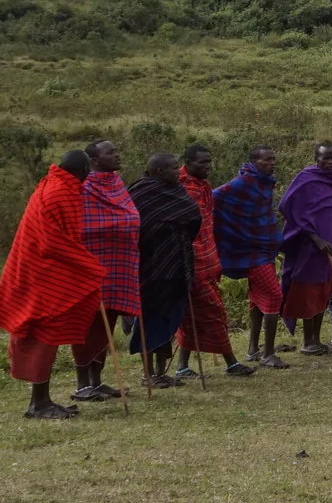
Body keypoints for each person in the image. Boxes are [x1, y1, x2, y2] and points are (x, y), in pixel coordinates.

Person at [0, 150, 104, 418]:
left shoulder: (53, 185)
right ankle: (38, 403)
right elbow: (55, 242)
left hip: (39, 271)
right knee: (44, 336)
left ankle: (42, 400)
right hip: (44, 276)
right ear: (85, 171)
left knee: (45, 337)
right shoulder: (60, 193)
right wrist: (89, 267)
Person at [172, 145, 253, 379]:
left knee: (196, 315)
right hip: (190, 262)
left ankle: (182, 367)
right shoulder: (180, 188)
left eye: (209, 162)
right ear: (187, 162)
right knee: (213, 313)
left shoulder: (204, 185)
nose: (207, 167)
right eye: (202, 163)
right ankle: (231, 363)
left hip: (209, 258)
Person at [128, 153, 202, 388]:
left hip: (177, 262)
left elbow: (192, 216)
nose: (178, 172)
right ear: (159, 171)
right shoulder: (141, 193)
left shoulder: (176, 190)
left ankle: (161, 371)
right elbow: (139, 225)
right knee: (150, 319)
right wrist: (166, 224)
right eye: (172, 169)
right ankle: (147, 373)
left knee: (171, 316)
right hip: (151, 266)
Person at [77, 139, 139, 401]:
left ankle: (98, 380)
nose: (116, 155)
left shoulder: (116, 183)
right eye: (110, 153)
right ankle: (82, 385)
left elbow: (130, 217)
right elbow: (82, 226)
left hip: (118, 267)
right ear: (93, 160)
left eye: (116, 150)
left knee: (107, 324)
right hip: (90, 268)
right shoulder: (83, 187)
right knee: (85, 326)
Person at [214, 144, 284, 368]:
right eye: (267, 160)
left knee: (257, 298)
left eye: (273, 159)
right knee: (274, 295)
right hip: (252, 251)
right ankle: (268, 353)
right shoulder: (243, 183)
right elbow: (212, 198)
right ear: (254, 161)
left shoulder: (263, 183)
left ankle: (254, 349)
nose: (272, 163)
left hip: (264, 247)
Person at [279, 142, 332, 355]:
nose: (330, 162)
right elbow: (287, 206)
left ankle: (317, 340)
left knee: (324, 292)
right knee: (308, 292)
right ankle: (307, 341)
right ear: (316, 159)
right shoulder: (306, 178)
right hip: (311, 246)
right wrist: (315, 237)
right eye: (325, 158)